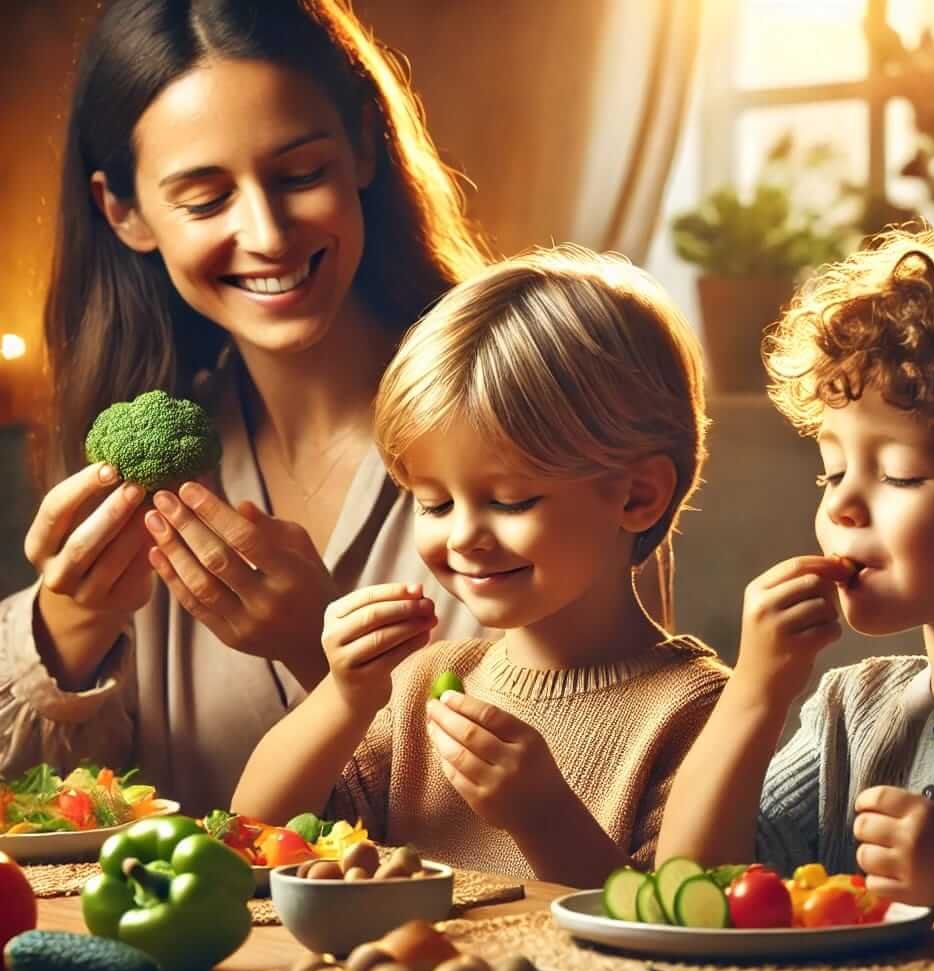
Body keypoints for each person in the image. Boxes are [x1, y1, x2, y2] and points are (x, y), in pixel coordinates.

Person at [0, 0, 493, 814]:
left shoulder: (538, 422)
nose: (265, 233)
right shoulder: (141, 464)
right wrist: (68, 627)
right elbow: (43, 819)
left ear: (364, 145)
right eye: (204, 199)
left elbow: (597, 792)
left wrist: (320, 649)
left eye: (300, 174)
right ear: (123, 213)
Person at [233, 246, 729, 887]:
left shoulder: (697, 710)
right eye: (433, 502)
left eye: (509, 500)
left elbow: (667, 923)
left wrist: (545, 817)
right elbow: (251, 833)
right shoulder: (423, 684)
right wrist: (343, 696)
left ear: (638, 496)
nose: (464, 536)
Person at [656, 211, 934, 933]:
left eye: (899, 473)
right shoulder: (849, 713)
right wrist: (756, 694)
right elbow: (691, 898)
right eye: (831, 473)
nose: (843, 506)